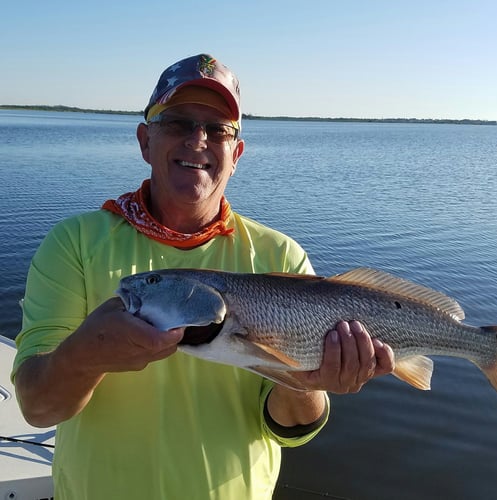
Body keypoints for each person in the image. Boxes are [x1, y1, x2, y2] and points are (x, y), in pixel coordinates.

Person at [12, 53, 395, 499]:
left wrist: (308, 383)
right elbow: (37, 408)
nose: (198, 140)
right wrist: (86, 355)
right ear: (144, 140)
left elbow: (292, 430)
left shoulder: (279, 255)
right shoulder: (74, 243)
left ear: (237, 153)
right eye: (177, 123)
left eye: (218, 130)